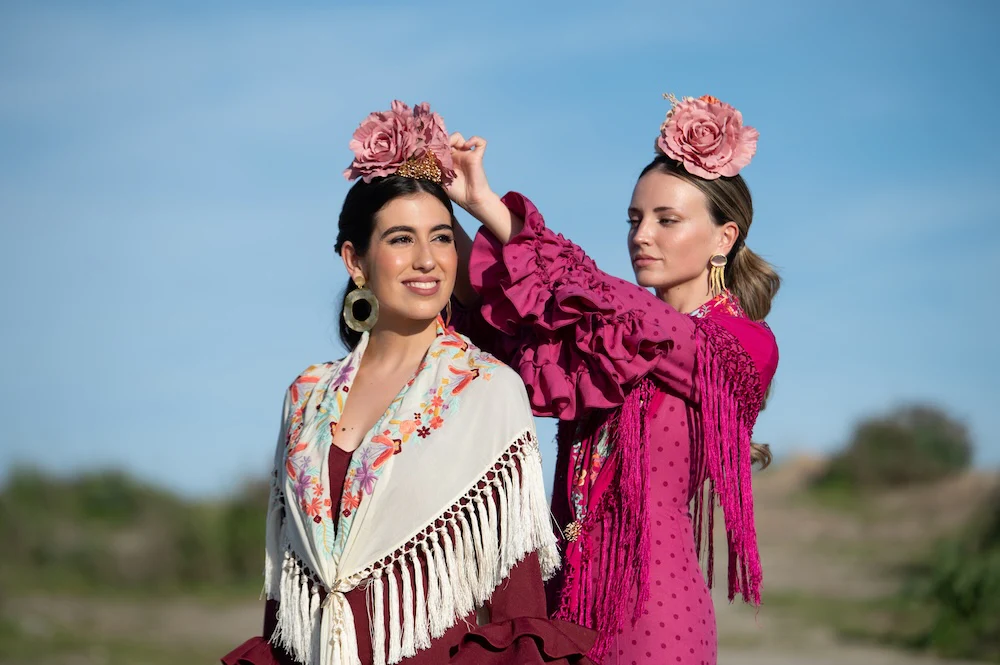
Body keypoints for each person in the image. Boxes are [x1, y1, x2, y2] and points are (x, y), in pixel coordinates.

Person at [222, 101, 595, 665]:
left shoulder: (489, 389)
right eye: (401, 239)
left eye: (441, 238)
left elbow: (515, 607)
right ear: (355, 260)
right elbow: (284, 607)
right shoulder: (306, 395)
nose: (427, 260)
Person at [446, 93, 780, 664]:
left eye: (666, 220)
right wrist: (435, 210)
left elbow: (607, 301)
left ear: (724, 239)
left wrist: (487, 204)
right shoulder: (602, 339)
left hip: (655, 618)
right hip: (562, 602)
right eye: (634, 219)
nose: (641, 235)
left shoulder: (741, 344)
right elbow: (493, 316)